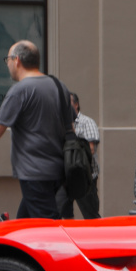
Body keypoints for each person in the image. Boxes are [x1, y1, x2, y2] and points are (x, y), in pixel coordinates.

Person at [0, 40, 66, 219]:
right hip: (58, 171)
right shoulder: (59, 87)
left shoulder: (20, 91)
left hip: (34, 172)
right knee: (23, 223)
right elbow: (69, 125)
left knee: (47, 227)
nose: (7, 64)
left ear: (17, 60)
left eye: (7, 59)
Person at [56, 91, 101, 220]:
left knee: (90, 215)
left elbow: (91, 150)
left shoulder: (87, 122)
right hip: (65, 177)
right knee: (63, 213)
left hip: (84, 176)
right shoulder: (60, 123)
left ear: (76, 105)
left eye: (68, 104)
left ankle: (96, 238)